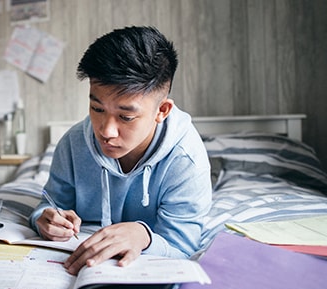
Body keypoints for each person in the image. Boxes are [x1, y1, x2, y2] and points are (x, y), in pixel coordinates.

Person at [29, 26, 212, 275]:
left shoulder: (186, 160)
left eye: (125, 117)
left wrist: (144, 236)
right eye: (97, 109)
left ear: (162, 111)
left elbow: (182, 246)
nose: (106, 131)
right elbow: (49, 205)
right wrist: (44, 220)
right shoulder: (72, 144)